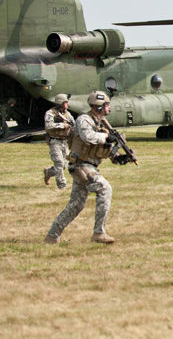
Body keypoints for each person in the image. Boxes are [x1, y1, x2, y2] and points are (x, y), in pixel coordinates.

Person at [45, 91, 125, 244]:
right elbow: (88, 136)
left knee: (76, 205)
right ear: (98, 107)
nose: (109, 108)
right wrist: (106, 137)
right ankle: (98, 233)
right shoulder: (84, 120)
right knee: (105, 189)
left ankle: (52, 236)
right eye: (107, 105)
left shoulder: (101, 123)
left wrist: (118, 157)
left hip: (87, 166)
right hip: (81, 166)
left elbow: (101, 148)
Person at [43, 94, 76, 190]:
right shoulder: (50, 113)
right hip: (54, 141)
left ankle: (48, 172)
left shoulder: (67, 114)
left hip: (65, 142)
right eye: (65, 102)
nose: (67, 104)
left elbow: (73, 125)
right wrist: (62, 125)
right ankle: (62, 185)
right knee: (59, 163)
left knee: (64, 165)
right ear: (60, 103)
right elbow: (48, 126)